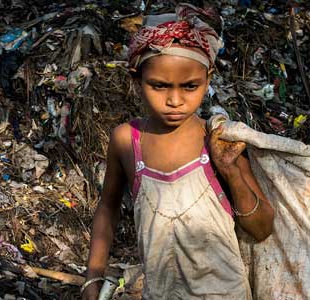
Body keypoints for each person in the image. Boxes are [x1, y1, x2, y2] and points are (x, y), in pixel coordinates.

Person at [82, 4, 274, 299]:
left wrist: (230, 172)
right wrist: (92, 279)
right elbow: (107, 209)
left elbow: (261, 228)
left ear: (208, 79)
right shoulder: (127, 140)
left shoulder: (218, 140)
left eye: (190, 86)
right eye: (159, 86)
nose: (175, 100)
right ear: (136, 81)